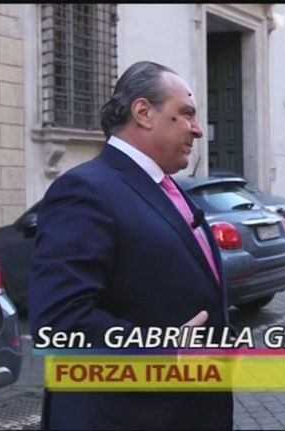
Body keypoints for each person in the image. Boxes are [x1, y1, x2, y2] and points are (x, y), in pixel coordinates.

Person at [28, 61, 233, 430]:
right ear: (143, 113)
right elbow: (60, 320)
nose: (198, 129)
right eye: (186, 113)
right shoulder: (85, 190)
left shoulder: (165, 187)